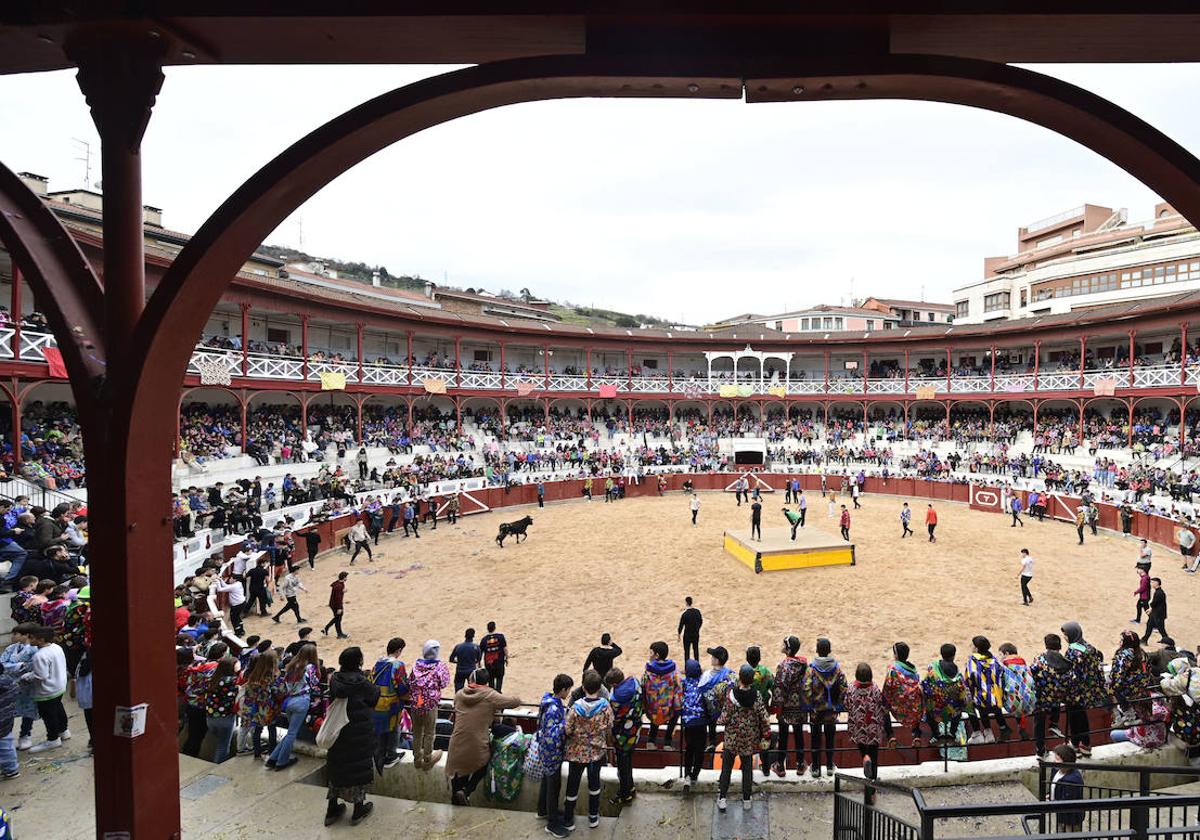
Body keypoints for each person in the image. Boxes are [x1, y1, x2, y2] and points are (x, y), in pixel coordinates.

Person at [445, 667, 522, 806]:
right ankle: (467, 791)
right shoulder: (490, 695)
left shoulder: (459, 694)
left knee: (457, 779)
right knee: (485, 762)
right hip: (477, 746)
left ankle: (458, 799)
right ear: (487, 681)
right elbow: (515, 701)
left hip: (456, 744)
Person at [325, 647, 381, 827]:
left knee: (338, 767)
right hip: (358, 731)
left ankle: (331, 809)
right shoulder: (362, 682)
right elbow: (374, 698)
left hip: (339, 731)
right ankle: (358, 810)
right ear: (358, 661)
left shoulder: (334, 679)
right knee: (358, 769)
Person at [562, 670, 614, 830]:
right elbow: (609, 726)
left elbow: (567, 729)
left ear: (583, 687)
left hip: (576, 753)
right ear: (599, 688)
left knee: (572, 785)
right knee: (594, 785)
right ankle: (593, 817)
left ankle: (569, 819)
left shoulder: (576, 707)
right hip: (596, 754)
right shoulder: (605, 706)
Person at [716, 664, 770, 814]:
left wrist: (719, 719)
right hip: (749, 740)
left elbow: (723, 718)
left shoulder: (731, 695)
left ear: (740, 678)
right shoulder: (757, 695)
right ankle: (746, 799)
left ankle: (722, 799)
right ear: (752, 680)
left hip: (732, 739)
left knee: (726, 768)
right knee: (747, 770)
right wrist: (766, 734)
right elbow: (764, 718)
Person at [267, 643, 320, 771]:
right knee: (292, 734)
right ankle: (282, 761)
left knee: (291, 732)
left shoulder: (291, 666)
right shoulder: (310, 667)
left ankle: (273, 758)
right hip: (302, 701)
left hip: (289, 701)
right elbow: (314, 683)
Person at [535, 673, 573, 837]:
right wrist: (566, 726)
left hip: (545, 750)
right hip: (552, 752)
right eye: (568, 690)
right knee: (553, 786)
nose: (569, 693)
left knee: (547, 781)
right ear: (563, 690)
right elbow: (552, 734)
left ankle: (543, 809)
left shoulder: (548, 701)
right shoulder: (553, 708)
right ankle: (552, 823)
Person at [1061, 621, 1107, 757]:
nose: (1065, 637)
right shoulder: (1090, 647)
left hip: (1075, 692)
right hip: (1088, 690)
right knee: (1082, 716)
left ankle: (1075, 744)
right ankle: (1085, 744)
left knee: (1075, 717)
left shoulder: (1072, 651)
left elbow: (1069, 672)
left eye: (1065, 635)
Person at [20, 625, 68, 753]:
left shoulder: (40, 655)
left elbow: (41, 676)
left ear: (41, 640)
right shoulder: (57, 647)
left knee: (49, 715)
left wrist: (27, 676)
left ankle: (53, 739)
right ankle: (63, 731)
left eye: (32, 638)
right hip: (59, 686)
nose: (30, 641)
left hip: (46, 691)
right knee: (58, 709)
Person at [845, 663, 893, 785]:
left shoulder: (851, 689)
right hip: (873, 728)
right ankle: (872, 786)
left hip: (858, 726)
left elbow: (847, 704)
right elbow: (882, 706)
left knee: (861, 745)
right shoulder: (875, 689)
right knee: (874, 756)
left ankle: (864, 756)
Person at [805, 637, 847, 778]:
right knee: (830, 738)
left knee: (815, 739)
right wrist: (837, 704)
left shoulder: (812, 668)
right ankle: (829, 765)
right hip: (831, 710)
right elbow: (844, 687)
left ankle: (816, 767)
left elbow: (806, 688)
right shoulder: (836, 668)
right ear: (829, 651)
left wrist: (811, 703)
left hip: (816, 710)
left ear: (817, 651)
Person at [409, 640, 450, 771]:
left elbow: (410, 681)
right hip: (430, 705)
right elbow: (444, 683)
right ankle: (427, 757)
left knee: (416, 732)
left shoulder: (416, 665)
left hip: (416, 703)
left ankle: (416, 758)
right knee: (429, 733)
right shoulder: (439, 667)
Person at [370, 637, 410, 772]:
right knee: (394, 728)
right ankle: (391, 755)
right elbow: (402, 687)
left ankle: (379, 756)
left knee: (379, 730)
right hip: (391, 703)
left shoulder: (378, 663)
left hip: (376, 703)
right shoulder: (398, 665)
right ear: (399, 650)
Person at [1031, 634, 1074, 758]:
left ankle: (1040, 750)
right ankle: (1054, 724)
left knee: (1039, 723)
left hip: (1041, 697)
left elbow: (1032, 672)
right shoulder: (1065, 662)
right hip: (1057, 696)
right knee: (1055, 702)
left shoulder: (1040, 659)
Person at [770, 635, 808, 777]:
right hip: (799, 707)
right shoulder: (803, 665)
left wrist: (777, 707)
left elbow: (779, 688)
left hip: (785, 708)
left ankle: (780, 765)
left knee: (783, 736)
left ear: (788, 649)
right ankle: (800, 764)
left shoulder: (782, 666)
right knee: (799, 735)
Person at [605, 667, 642, 805]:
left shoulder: (615, 700)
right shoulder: (636, 684)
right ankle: (630, 787)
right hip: (635, 730)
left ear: (614, 684)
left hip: (621, 736)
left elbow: (613, 718)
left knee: (623, 765)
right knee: (628, 761)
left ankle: (625, 794)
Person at [921, 643, 968, 747]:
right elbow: (962, 691)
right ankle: (952, 732)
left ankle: (936, 733)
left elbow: (924, 684)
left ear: (941, 654)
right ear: (954, 655)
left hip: (936, 710)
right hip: (952, 711)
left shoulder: (933, 668)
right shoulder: (957, 672)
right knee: (959, 708)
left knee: (928, 709)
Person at [964, 636, 1008, 744]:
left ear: (977, 648)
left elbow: (968, 680)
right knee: (988, 700)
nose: (971, 647)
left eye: (972, 645)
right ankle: (996, 730)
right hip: (997, 700)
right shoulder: (994, 661)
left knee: (968, 702)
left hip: (981, 701)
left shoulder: (973, 661)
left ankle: (978, 733)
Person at [238, 649, 280, 760]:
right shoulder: (272, 676)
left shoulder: (253, 674)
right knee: (272, 729)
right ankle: (272, 752)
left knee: (257, 730)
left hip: (251, 705)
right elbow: (276, 691)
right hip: (266, 707)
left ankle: (257, 752)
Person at [882, 642, 924, 748]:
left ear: (895, 655)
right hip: (914, 709)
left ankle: (890, 735)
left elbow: (887, 688)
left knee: (882, 707)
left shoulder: (893, 669)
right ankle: (916, 735)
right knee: (918, 701)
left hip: (899, 707)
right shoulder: (913, 671)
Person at [643, 641, 681, 750]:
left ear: (657, 655)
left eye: (651, 652)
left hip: (653, 706)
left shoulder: (649, 668)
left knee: (655, 714)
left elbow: (644, 683)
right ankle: (667, 742)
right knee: (675, 715)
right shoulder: (673, 667)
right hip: (668, 705)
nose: (649, 655)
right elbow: (678, 684)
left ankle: (651, 740)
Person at [204, 655, 240, 763]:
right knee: (223, 746)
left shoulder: (211, 677)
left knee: (219, 740)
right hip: (226, 717)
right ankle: (217, 766)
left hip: (210, 717)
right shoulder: (233, 681)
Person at [680, 659, 707, 792]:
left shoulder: (683, 683)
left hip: (688, 722)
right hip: (701, 722)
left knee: (689, 748)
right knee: (700, 749)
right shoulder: (703, 683)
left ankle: (686, 776)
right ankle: (695, 774)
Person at [1049, 743, 1085, 833]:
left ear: (1066, 761)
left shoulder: (1073, 780)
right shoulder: (1056, 770)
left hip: (1071, 817)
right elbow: (1053, 785)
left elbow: (1067, 801)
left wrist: (1052, 803)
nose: (1054, 761)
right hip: (1059, 813)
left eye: (1057, 759)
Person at [449, 628, 482, 693]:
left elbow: (451, 659)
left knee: (458, 690)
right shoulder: (476, 647)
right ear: (473, 636)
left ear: (465, 635)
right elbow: (478, 659)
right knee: (472, 690)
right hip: (471, 671)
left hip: (460, 670)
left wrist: (459, 662)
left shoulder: (458, 646)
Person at [480, 621, 508, 692]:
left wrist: (479, 664)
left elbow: (480, 653)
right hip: (499, 662)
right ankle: (498, 694)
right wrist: (507, 658)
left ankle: (492, 696)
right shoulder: (501, 637)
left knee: (491, 681)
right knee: (499, 679)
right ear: (495, 628)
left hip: (489, 664)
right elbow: (505, 649)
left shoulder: (484, 639)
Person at [322, 571, 350, 639]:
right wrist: (339, 608)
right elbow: (338, 598)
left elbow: (334, 586)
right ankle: (339, 634)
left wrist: (342, 591)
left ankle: (326, 628)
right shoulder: (339, 586)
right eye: (346, 577)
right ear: (344, 578)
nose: (347, 578)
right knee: (338, 619)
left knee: (337, 618)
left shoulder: (339, 583)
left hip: (334, 604)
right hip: (336, 605)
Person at [1142, 578, 1169, 645]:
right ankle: (1144, 639)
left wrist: (1150, 608)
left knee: (1161, 629)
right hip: (1156, 613)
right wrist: (1151, 609)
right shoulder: (1159, 592)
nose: (1151, 584)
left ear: (1156, 583)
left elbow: (1154, 603)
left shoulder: (1159, 593)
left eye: (1152, 582)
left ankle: (1167, 641)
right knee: (1149, 625)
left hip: (1158, 614)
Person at [678, 598, 703, 663]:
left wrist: (679, 635)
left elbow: (681, 626)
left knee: (687, 652)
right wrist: (697, 629)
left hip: (687, 636)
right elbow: (700, 621)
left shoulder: (685, 614)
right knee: (696, 650)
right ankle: (697, 665)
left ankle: (687, 667)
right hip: (695, 634)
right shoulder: (697, 612)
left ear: (686, 603)